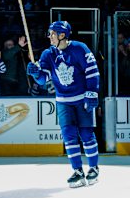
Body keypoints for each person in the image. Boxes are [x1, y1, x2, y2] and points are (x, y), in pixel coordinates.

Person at [26, 21, 100, 188]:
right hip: (63, 102)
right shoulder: (47, 54)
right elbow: (43, 80)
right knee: (68, 135)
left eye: (52, 34)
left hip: (82, 98)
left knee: (86, 134)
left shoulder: (80, 49)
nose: (49, 37)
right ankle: (78, 171)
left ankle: (93, 168)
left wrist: (92, 92)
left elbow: (92, 71)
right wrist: (36, 73)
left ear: (62, 35)